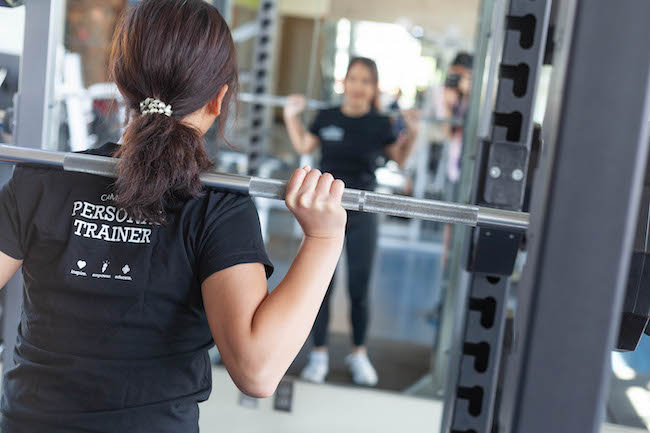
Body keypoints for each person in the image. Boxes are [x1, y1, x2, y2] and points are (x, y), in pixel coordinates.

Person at [0, 1, 347, 432]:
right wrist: (324, 240)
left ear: (122, 83)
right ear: (219, 98)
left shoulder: (44, 179)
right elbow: (257, 372)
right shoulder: (218, 206)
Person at [283, 57, 419, 386]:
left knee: (358, 288)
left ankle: (358, 354)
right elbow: (304, 145)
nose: (358, 86)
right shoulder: (327, 116)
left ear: (373, 88)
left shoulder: (379, 122)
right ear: (343, 82)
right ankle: (319, 354)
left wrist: (413, 132)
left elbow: (400, 161)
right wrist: (291, 116)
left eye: (365, 81)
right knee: (321, 287)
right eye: (353, 79)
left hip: (363, 214)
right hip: (323, 212)